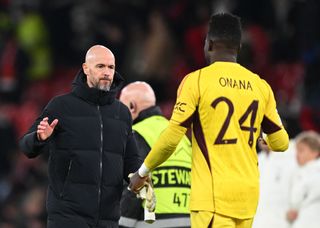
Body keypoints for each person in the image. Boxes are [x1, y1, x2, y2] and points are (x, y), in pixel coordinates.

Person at [128, 13, 289, 228]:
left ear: (209, 44)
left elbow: (171, 139)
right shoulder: (261, 86)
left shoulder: (196, 81)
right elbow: (282, 143)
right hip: (247, 198)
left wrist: (142, 173)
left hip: (213, 198)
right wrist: (263, 137)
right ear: (239, 46)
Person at [19, 45, 142, 228]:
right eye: (100, 66)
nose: (107, 72)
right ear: (86, 68)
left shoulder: (121, 113)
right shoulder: (61, 106)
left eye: (111, 67)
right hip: (67, 217)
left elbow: (131, 161)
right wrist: (39, 138)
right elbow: (26, 147)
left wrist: (141, 178)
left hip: (108, 219)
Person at [119, 82, 192, 228]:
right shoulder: (180, 137)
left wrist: (121, 224)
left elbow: (134, 188)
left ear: (132, 107)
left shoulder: (135, 134)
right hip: (188, 221)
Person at [286, 131, 320, 228]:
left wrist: (295, 209)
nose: (297, 154)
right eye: (296, 150)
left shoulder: (316, 173)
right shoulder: (299, 172)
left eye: (301, 150)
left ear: (315, 152)